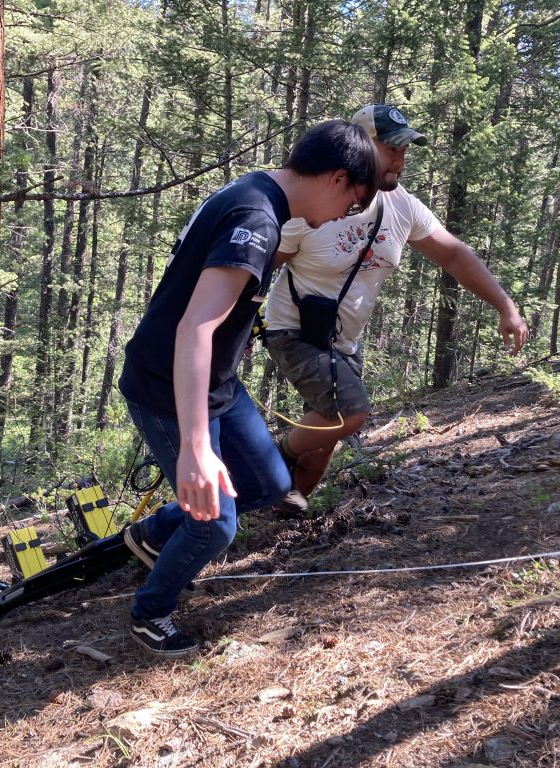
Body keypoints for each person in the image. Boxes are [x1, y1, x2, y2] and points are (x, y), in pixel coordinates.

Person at [117, 120, 379, 657]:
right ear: (336, 178)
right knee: (214, 524)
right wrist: (195, 450)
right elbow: (195, 327)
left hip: (217, 382)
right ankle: (151, 613)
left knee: (268, 482)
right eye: (352, 204)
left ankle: (151, 535)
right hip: (167, 386)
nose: (342, 219)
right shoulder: (255, 218)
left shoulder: (257, 197)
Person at [264, 105, 528, 510]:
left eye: (405, 150)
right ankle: (266, 461)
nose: (401, 160)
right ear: (360, 147)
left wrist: (504, 305)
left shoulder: (403, 207)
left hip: (343, 341)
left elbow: (455, 255)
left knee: (324, 441)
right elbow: (262, 270)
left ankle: (274, 518)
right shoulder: (312, 204)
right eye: (391, 149)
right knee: (349, 413)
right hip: (293, 329)